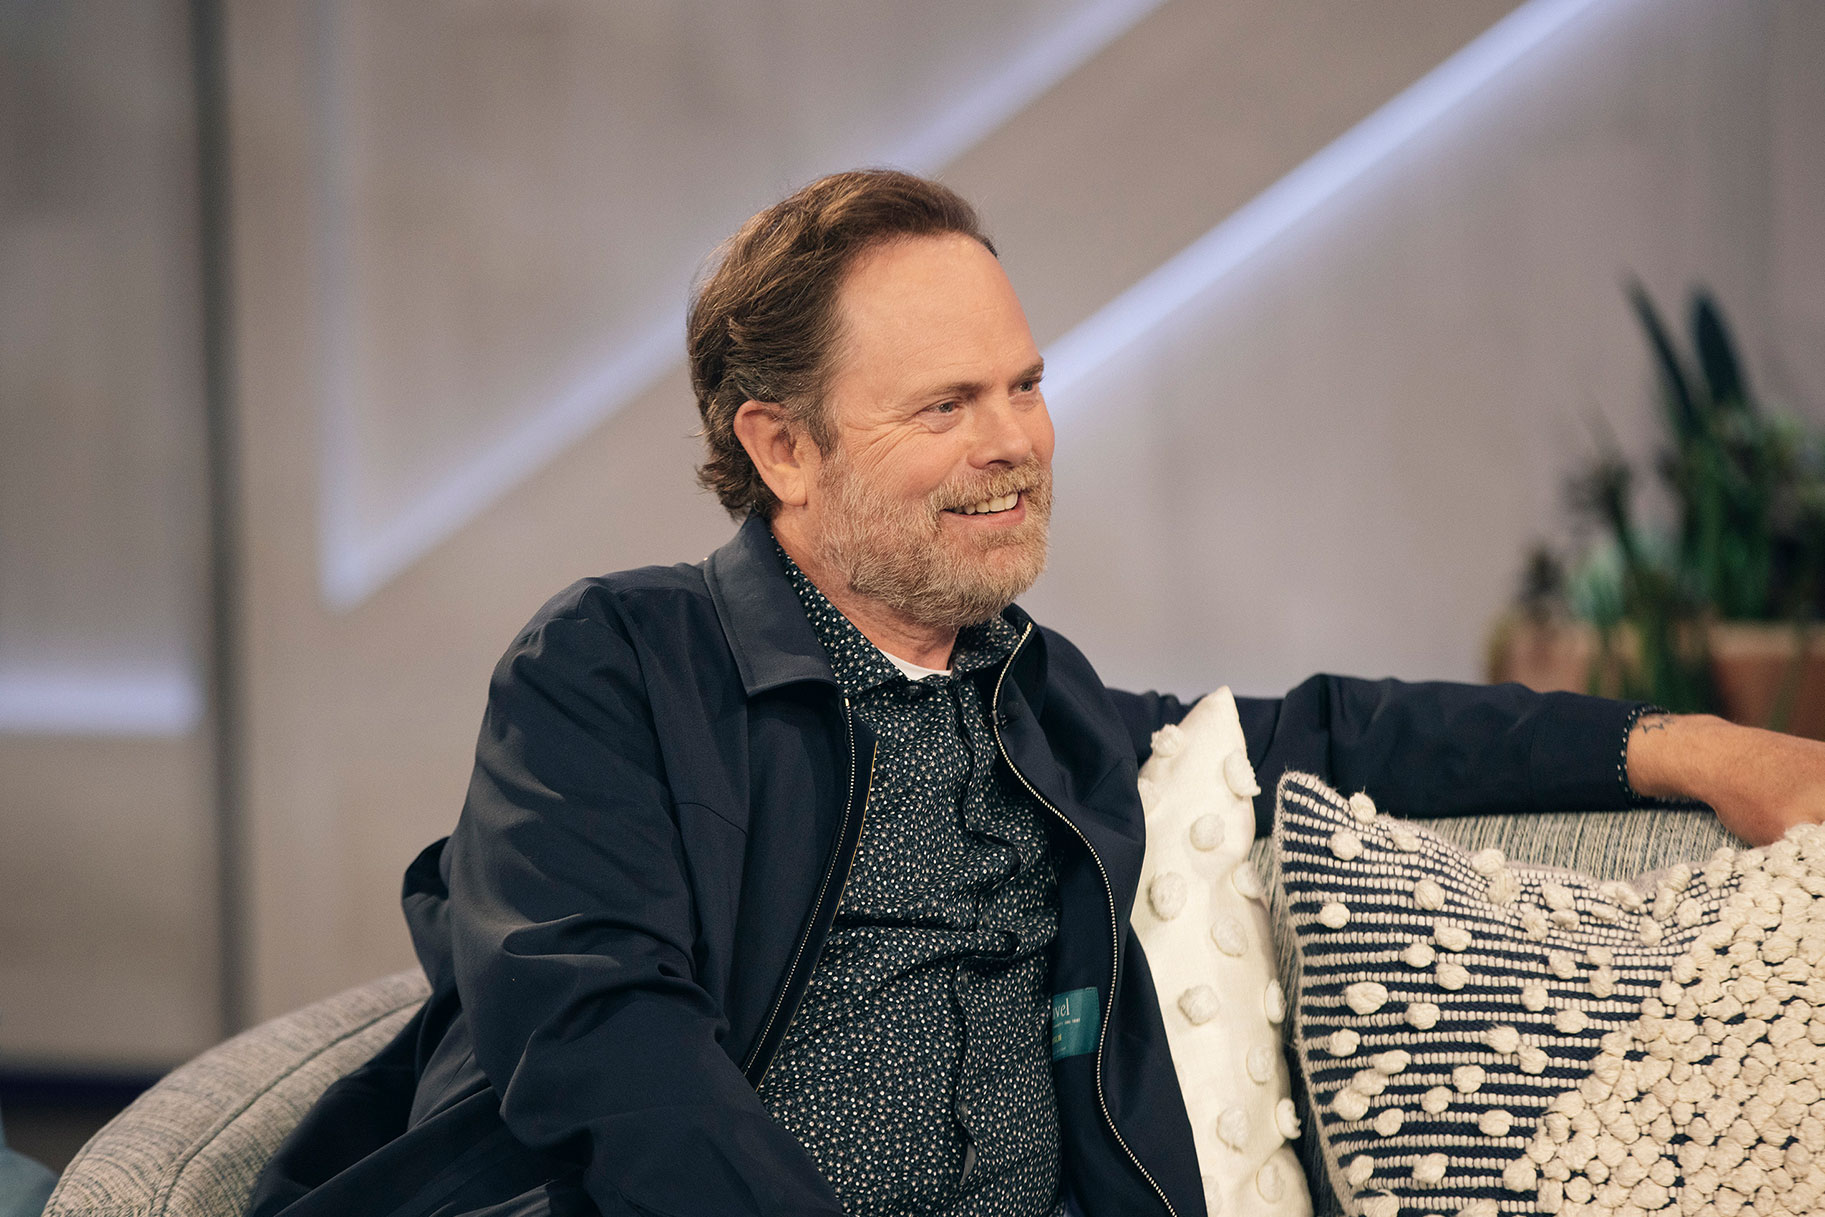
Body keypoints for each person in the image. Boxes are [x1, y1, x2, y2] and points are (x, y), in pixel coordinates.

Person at [253, 170, 1825, 1217]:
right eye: (947, 403)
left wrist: (1680, 740)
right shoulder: (615, 665)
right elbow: (602, 1039)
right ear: (780, 448)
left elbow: (1335, 733)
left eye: (1026, 383)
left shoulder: (1042, 707)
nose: (1017, 438)